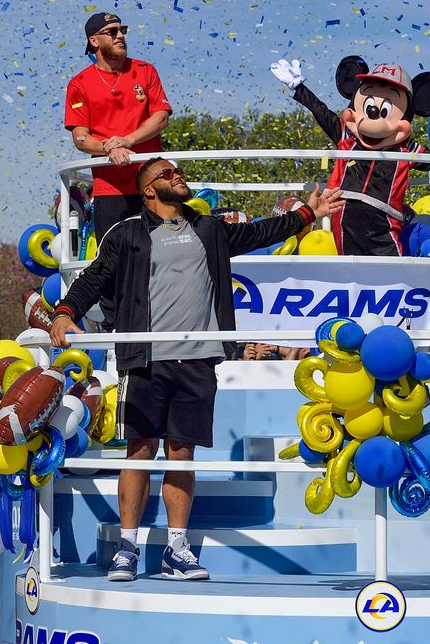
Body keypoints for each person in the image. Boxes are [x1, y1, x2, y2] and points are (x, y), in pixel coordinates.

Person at [49, 157, 343, 581]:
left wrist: (306, 214)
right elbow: (94, 277)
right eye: (167, 174)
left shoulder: (209, 229)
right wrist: (63, 312)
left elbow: (261, 231)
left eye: (177, 172)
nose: (177, 176)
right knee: (141, 451)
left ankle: (176, 549)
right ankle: (127, 548)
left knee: (182, 454)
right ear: (149, 189)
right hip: (146, 357)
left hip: (197, 360)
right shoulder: (129, 233)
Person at [64, 11, 173, 241]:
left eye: (122, 30)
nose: (119, 36)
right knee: (115, 263)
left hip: (152, 182)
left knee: (163, 254)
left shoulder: (146, 71)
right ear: (94, 41)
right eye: (111, 32)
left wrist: (126, 141)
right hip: (109, 190)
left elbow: (161, 117)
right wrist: (109, 148)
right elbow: (80, 137)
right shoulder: (79, 84)